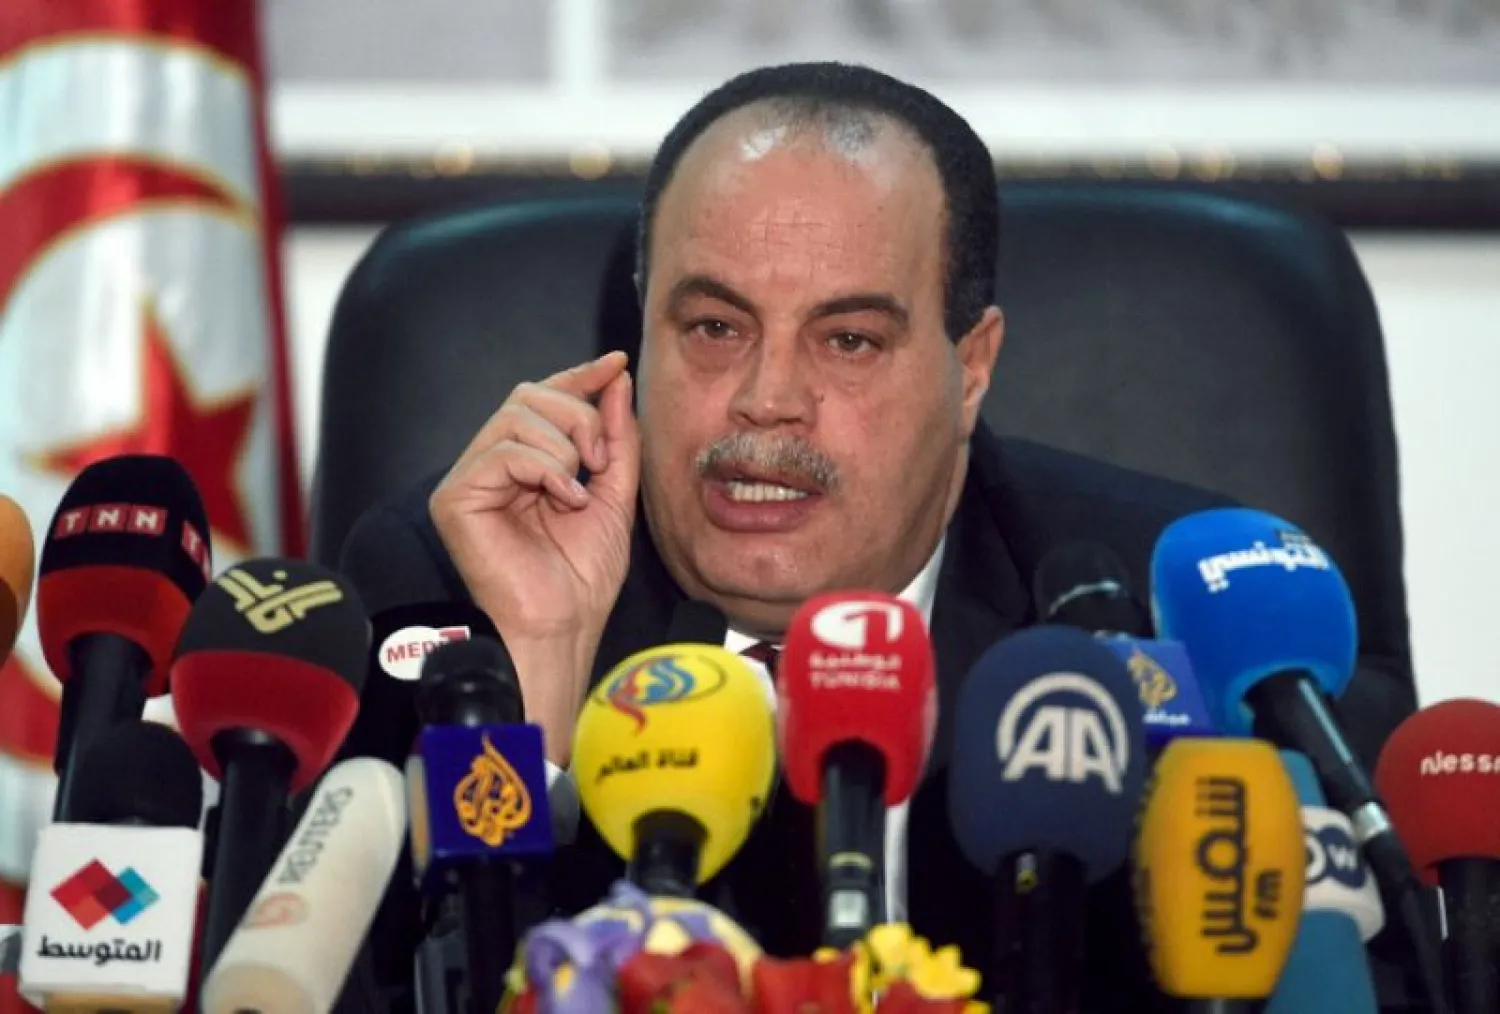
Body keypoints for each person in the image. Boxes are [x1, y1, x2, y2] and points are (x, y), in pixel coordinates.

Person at [338, 62, 1419, 1011]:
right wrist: (531, 690)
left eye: (848, 340)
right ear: (641, 336)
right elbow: (360, 983)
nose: (766, 400)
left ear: (972, 368)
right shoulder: (454, 578)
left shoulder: (1187, 623)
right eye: (713, 328)